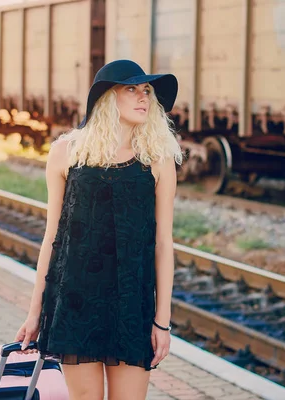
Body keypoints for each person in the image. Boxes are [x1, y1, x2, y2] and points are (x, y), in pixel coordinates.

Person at [14, 59, 183, 400]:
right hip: (75, 302)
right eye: (131, 89)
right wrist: (35, 313)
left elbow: (164, 243)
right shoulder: (67, 152)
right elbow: (52, 239)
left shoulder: (158, 158)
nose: (143, 98)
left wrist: (162, 322)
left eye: (146, 91)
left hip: (132, 304)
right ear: (107, 97)